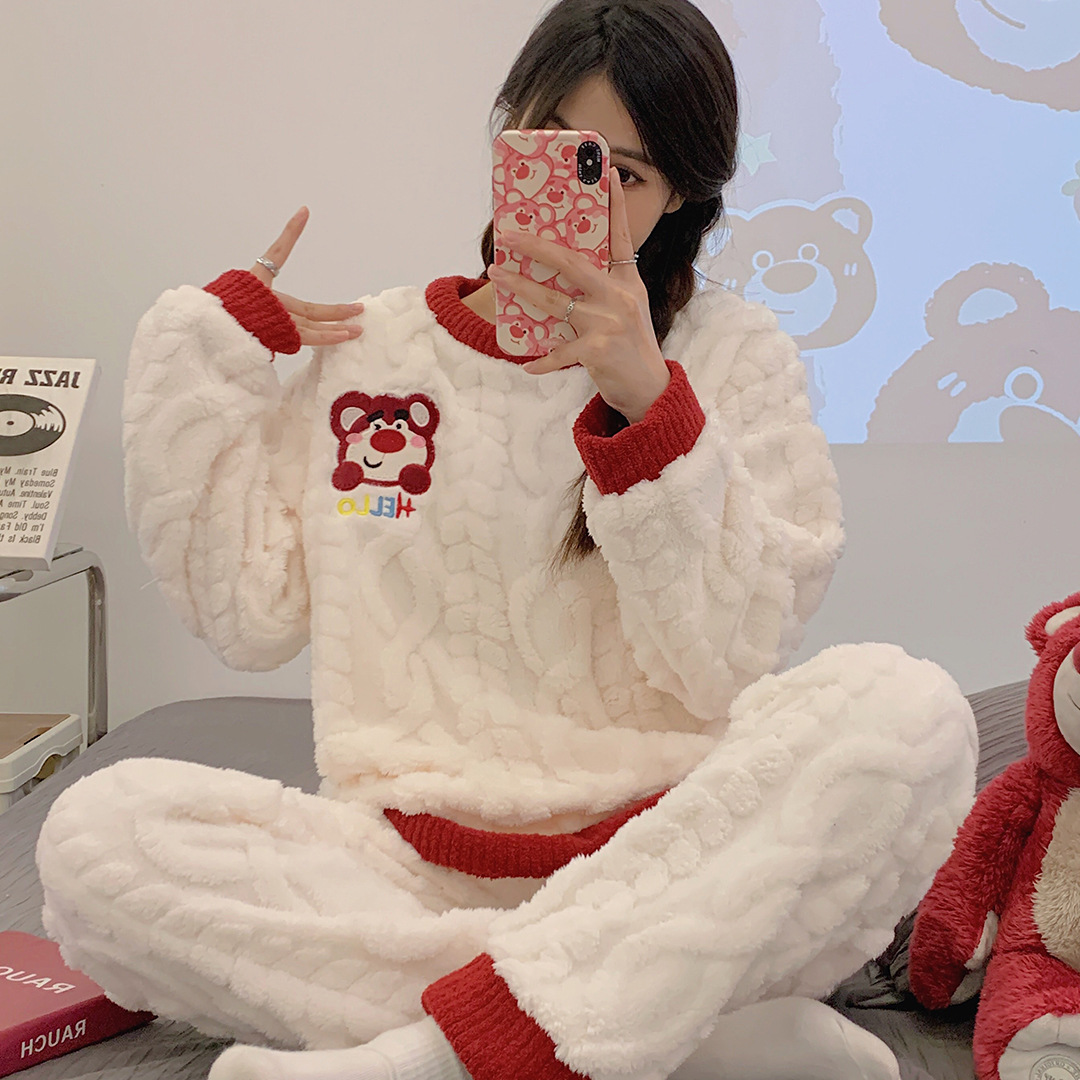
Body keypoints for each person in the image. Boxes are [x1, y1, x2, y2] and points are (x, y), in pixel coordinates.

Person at [35, 3, 977, 1080]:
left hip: (674, 850)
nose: (587, 194)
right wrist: (202, 364)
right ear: (507, 133)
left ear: (680, 196)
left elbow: (724, 664)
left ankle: (439, 1057)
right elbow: (248, 620)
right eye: (559, 148)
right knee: (97, 839)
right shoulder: (374, 349)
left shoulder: (730, 353)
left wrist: (649, 404)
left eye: (627, 173)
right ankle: (677, 1022)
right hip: (413, 874)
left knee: (908, 715)